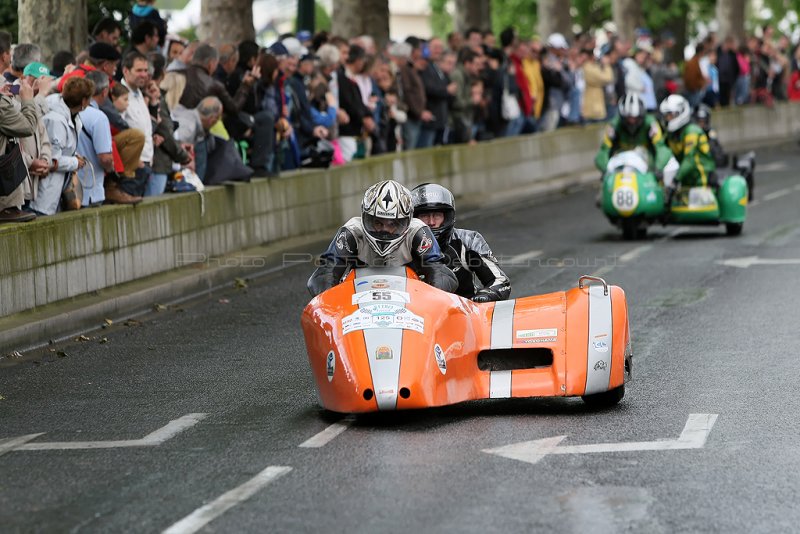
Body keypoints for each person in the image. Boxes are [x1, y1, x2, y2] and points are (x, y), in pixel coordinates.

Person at [307, 179, 458, 296]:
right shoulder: (352, 231)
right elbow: (326, 271)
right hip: (358, 299)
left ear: (407, 220)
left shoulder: (418, 231)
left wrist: (432, 299)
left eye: (393, 224)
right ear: (365, 216)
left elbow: (439, 271)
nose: (385, 230)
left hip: (411, 299)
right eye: (378, 223)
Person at [411, 183, 510, 302]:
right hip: (414, 315)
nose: (431, 222)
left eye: (437, 215)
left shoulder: (469, 240)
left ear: (447, 217)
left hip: (463, 314)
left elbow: (500, 281)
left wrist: (484, 296)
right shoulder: (400, 245)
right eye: (424, 216)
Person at [594, 93, 672, 175]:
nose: (632, 122)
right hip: (620, 168)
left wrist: (658, 168)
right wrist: (605, 170)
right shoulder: (614, 126)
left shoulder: (651, 124)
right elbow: (604, 150)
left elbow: (661, 148)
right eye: (629, 118)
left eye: (635, 118)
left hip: (647, 169)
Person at [659, 94, 716, 192]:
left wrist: (676, 179)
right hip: (685, 178)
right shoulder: (670, 134)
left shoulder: (692, 131)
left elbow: (690, 159)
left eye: (671, 115)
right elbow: (662, 151)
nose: (667, 119)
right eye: (666, 116)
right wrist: (657, 170)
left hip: (702, 177)